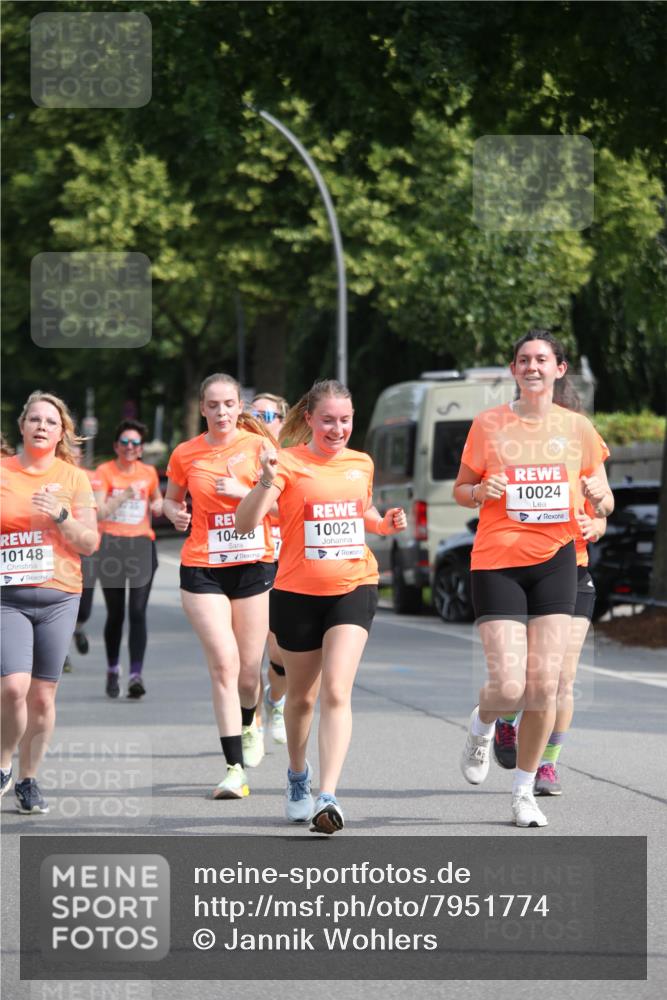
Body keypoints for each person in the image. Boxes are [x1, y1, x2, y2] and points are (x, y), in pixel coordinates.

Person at [453, 329, 613, 828]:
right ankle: (482, 724)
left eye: (541, 360)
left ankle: (524, 793)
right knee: (509, 686)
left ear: (559, 369)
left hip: (557, 560)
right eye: (523, 360)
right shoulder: (488, 425)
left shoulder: (578, 428)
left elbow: (605, 500)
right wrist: (481, 490)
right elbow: (460, 489)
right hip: (498, 560)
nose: (532, 367)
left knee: (544, 686)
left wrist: (597, 501)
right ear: (514, 369)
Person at [236, 378, 407, 834]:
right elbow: (244, 523)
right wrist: (266, 481)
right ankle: (298, 775)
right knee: (302, 698)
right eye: (328, 420)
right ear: (309, 419)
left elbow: (362, 510)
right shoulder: (288, 463)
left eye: (345, 420)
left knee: (336, 690)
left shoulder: (361, 463)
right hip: (296, 593)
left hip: (354, 585)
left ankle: (328, 796)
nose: (337, 429)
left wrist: (384, 524)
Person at [163, 373, 277, 799]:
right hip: (202, 568)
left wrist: (246, 489)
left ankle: (250, 721)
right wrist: (173, 512)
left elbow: (281, 502)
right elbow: (171, 499)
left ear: (239, 406)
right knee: (224, 665)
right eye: (214, 405)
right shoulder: (185, 453)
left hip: (252, 564)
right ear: (202, 409)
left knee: (249, 673)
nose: (222, 411)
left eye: (229, 403)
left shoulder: (260, 447)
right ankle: (234, 769)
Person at [0, 391, 98, 813]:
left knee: (42, 696)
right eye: (35, 419)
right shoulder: (2, 472)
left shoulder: (73, 479)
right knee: (12, 687)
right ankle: (4, 759)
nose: (42, 426)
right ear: (22, 426)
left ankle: (28, 779)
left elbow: (90, 543)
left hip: (60, 596)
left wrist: (62, 515)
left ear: (61, 434)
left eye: (51, 422)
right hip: (8, 597)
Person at [92, 420, 163, 699]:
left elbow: (156, 500)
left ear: (141, 448)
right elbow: (97, 512)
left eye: (135, 444)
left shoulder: (148, 473)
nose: (131, 448)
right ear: (116, 447)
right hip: (111, 546)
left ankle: (136, 674)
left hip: (142, 546)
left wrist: (159, 504)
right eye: (125, 443)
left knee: (137, 612)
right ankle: (112, 668)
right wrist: (124, 496)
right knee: (116, 614)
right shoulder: (104, 472)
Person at [249, 392, 290, 743]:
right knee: (248, 654)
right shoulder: (239, 457)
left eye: (268, 413)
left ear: (282, 419)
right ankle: (252, 723)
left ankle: (275, 699)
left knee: (279, 652)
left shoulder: (293, 459)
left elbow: (292, 509)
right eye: (253, 412)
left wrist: (243, 495)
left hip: (286, 563)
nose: (260, 418)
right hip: (250, 561)